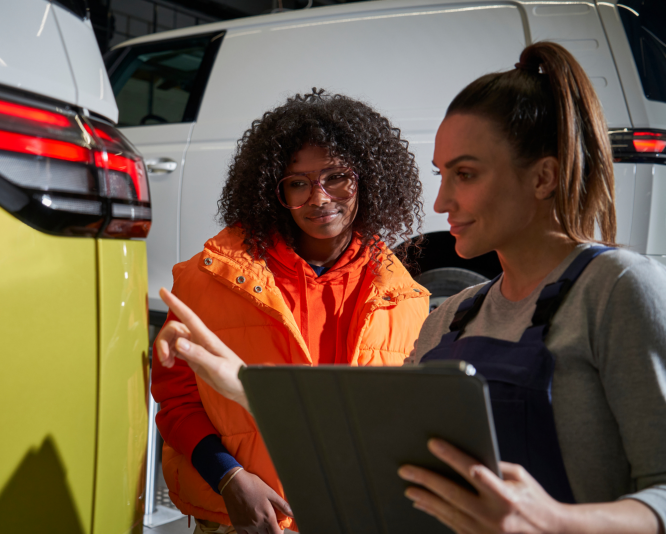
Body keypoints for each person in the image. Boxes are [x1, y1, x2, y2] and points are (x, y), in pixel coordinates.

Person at [155, 42, 666, 534]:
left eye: (464, 173)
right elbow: (370, 433)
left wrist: (556, 523)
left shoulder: (617, 290)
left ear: (544, 177)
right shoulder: (454, 317)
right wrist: (245, 387)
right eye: (441, 174)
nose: (440, 203)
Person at [151, 89, 429, 534]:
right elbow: (177, 399)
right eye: (298, 183)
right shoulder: (207, 280)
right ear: (271, 190)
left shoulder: (408, 300)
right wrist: (229, 478)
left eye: (337, 177)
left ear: (370, 177)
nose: (319, 198)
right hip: (239, 520)